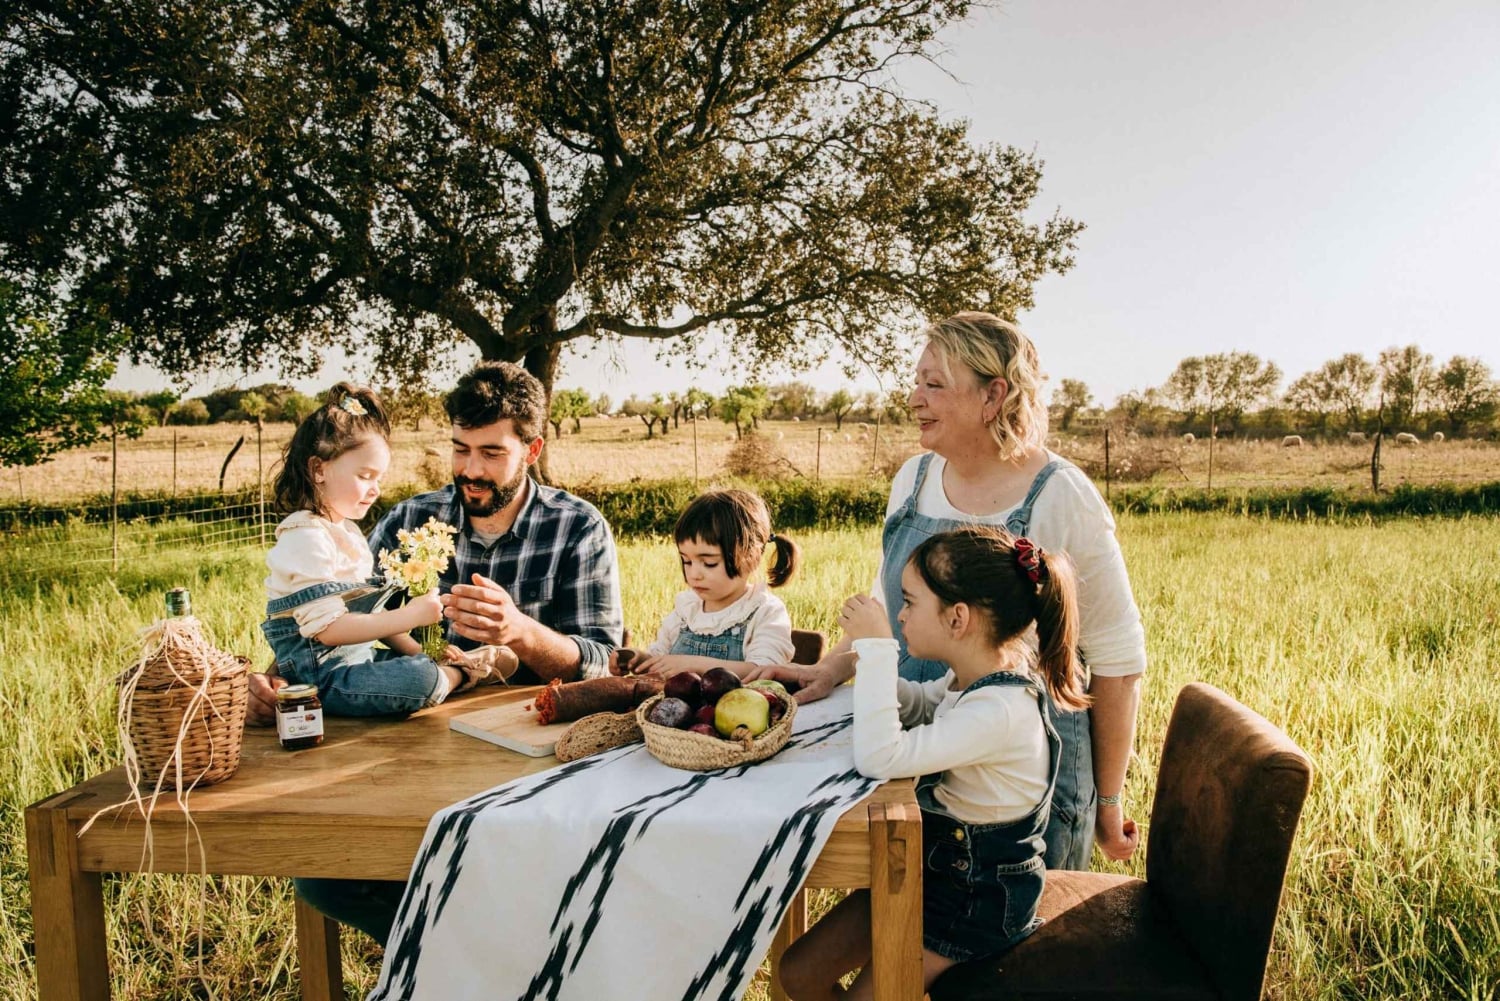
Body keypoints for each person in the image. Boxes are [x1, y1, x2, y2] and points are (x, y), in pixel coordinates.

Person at [748, 311, 1146, 868]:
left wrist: (1108, 800)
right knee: (912, 925)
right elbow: (892, 602)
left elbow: (1118, 659)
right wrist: (833, 669)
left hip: (1014, 786)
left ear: (993, 396)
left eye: (933, 384)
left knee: (1009, 941)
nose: (914, 399)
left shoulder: (1061, 495)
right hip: (914, 752)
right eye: (916, 382)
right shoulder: (911, 480)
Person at [246, 360, 624, 943]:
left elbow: (603, 663)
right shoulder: (407, 518)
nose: (470, 470)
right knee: (324, 879)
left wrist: (520, 631)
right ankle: (467, 959)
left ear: (533, 448)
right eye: (459, 449)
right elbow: (332, 612)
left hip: (528, 767)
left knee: (535, 876)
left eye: (491, 453)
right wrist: (274, 680)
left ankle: (485, 957)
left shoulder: (578, 528)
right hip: (406, 760)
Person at [778, 526, 1086, 999]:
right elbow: (922, 704)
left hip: (974, 903)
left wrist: (881, 651)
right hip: (931, 873)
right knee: (797, 974)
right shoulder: (975, 676)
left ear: (957, 618)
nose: (900, 615)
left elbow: (882, 757)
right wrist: (868, 670)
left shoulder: (1000, 711)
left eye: (909, 602)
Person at [260, 384, 491, 717]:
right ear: (319, 469)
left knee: (419, 667)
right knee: (417, 679)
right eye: (365, 476)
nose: (375, 489)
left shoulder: (348, 533)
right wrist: (410, 616)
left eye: (379, 478)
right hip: (320, 676)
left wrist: (424, 651)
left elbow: (372, 617)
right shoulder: (305, 536)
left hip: (355, 661)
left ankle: (448, 669)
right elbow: (328, 631)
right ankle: (461, 675)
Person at [626, 489, 800, 678]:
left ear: (752, 557)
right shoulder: (686, 609)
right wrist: (641, 661)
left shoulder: (765, 612)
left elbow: (764, 671)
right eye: (687, 561)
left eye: (709, 563)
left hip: (737, 706)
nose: (694, 574)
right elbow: (661, 657)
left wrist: (693, 665)